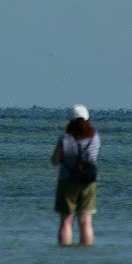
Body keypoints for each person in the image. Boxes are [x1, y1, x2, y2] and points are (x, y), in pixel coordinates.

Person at [50, 104, 100, 246]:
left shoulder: (65, 139)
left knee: (66, 220)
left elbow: (55, 161)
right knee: (86, 220)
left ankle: (66, 252)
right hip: (89, 181)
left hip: (68, 180)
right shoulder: (95, 137)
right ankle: (86, 250)